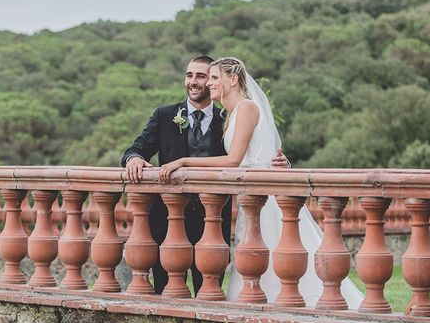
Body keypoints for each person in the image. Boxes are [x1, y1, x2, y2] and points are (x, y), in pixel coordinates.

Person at [159, 57, 363, 308]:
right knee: (257, 253)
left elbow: (234, 160)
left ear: (232, 79)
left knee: (271, 249)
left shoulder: (246, 108)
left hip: (262, 198)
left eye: (214, 78)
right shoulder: (232, 113)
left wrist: (184, 162)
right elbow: (261, 152)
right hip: (249, 197)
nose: (208, 84)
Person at [121, 55, 289, 295]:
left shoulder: (228, 118)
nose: (195, 81)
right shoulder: (164, 116)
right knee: (164, 291)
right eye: (190, 75)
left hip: (212, 218)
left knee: (209, 292)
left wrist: (281, 162)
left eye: (203, 76)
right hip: (167, 218)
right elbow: (135, 148)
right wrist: (134, 159)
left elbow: (252, 153)